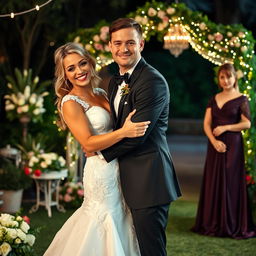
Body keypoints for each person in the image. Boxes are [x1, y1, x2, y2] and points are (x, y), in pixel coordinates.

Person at [44, 42, 151, 256]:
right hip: (101, 171)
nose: (79, 71)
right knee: (103, 218)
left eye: (82, 63)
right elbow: (88, 143)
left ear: (90, 63)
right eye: (71, 68)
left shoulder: (102, 92)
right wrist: (124, 132)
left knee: (122, 215)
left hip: (121, 165)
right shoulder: (70, 102)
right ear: (64, 74)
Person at [99, 18, 181, 256]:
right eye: (117, 43)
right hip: (124, 180)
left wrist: (98, 152)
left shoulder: (152, 81)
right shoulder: (115, 81)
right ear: (110, 46)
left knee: (151, 249)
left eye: (130, 43)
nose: (123, 49)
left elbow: (137, 136)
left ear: (141, 44)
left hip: (149, 180)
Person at [192, 63, 256, 239]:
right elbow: (206, 124)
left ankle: (232, 223)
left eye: (229, 77)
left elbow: (247, 123)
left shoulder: (242, 99)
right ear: (219, 79)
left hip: (233, 145)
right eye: (222, 77)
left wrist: (226, 128)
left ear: (234, 78)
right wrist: (213, 142)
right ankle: (213, 222)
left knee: (230, 182)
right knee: (214, 180)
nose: (226, 80)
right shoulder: (214, 98)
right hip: (215, 145)